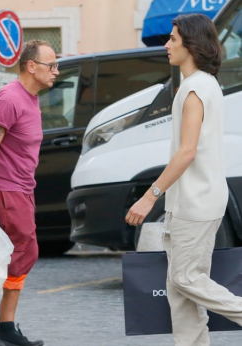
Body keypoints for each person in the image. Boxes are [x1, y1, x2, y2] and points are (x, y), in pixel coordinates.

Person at [125, 14, 242, 346]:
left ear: (191, 44)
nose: (167, 44)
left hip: (197, 201)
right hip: (193, 200)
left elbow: (186, 152)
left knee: (186, 279)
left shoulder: (195, 89)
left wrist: (150, 196)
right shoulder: (202, 84)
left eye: (173, 39)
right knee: (180, 292)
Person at [0, 40, 59, 346]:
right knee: (17, 255)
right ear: (31, 66)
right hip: (6, 190)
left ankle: (3, 328)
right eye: (51, 65)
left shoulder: (32, 99)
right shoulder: (9, 98)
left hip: (23, 190)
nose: (56, 71)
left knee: (19, 255)